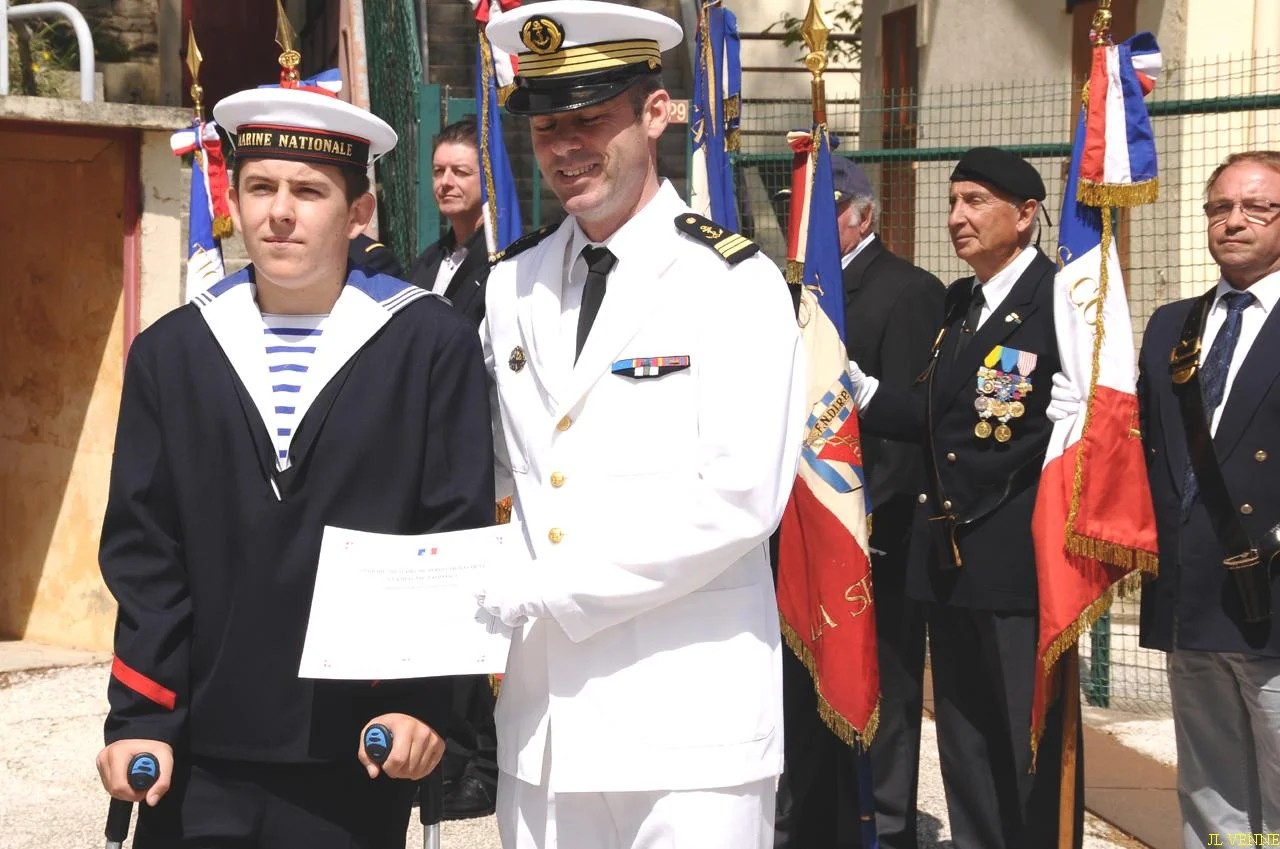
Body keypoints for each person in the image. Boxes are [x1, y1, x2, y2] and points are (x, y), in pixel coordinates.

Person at [93, 52, 495, 848]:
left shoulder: (428, 344)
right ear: (235, 202)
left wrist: (418, 703)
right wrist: (140, 714)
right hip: (197, 748)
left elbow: (449, 531)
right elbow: (145, 545)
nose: (280, 212)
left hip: (359, 745)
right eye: (260, 188)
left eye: (309, 192)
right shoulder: (172, 352)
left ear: (358, 210)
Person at [473, 3, 806, 847]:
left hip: (690, 732)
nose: (566, 146)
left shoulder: (734, 283)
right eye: (548, 125)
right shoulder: (509, 286)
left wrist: (548, 584)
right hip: (545, 730)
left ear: (656, 114)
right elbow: (508, 476)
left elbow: (738, 497)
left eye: (591, 119)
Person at [849, 147, 1082, 849]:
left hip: (1016, 556)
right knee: (964, 736)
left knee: (1024, 737)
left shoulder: (1061, 301)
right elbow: (937, 413)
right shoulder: (962, 301)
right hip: (947, 555)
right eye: (954, 202)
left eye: (975, 201)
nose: (957, 217)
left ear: (1026, 213)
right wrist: (858, 391)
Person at [774, 157, 944, 849]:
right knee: (804, 692)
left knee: (883, 692)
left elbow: (910, 423)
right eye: (798, 211)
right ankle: (813, 824)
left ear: (862, 215)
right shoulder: (793, 290)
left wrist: (872, 520)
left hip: (872, 531)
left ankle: (885, 828)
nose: (803, 226)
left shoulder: (905, 291)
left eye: (819, 212)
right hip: (804, 525)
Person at [1130, 150, 1280, 849]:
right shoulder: (1171, 326)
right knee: (1211, 785)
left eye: (1257, 207)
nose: (1234, 221)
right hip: (1191, 588)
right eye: (1220, 207)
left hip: (1272, 592)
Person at [408, 116, 491, 326]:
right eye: (438, 171)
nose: (445, 182)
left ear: (488, 178)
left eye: (460, 172)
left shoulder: (505, 263)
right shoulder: (427, 261)